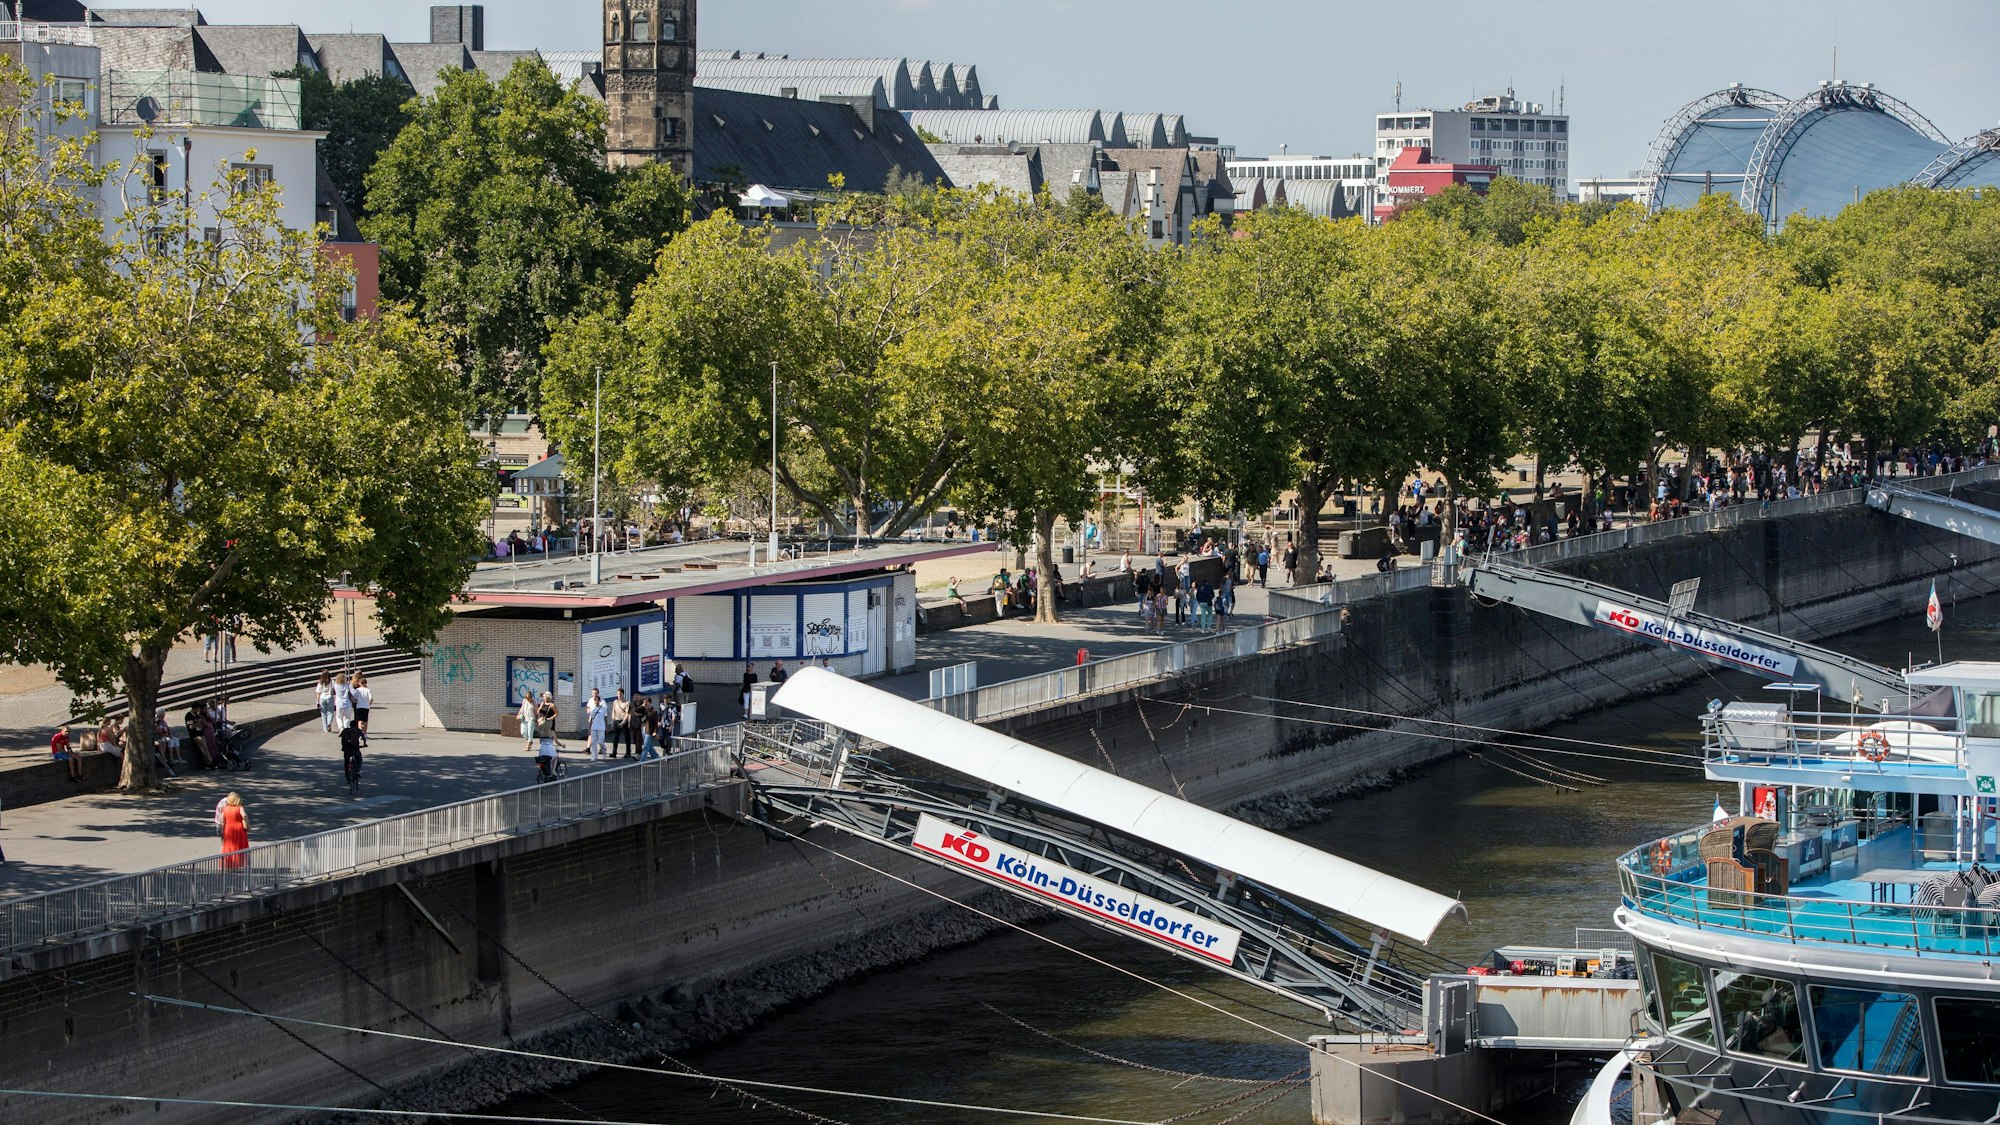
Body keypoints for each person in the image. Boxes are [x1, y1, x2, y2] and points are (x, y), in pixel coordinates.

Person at [534, 692, 561, 782]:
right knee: (546, 741)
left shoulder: (552, 705)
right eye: (544, 697)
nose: (544, 699)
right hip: (542, 723)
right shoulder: (542, 704)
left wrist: (550, 719)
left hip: (549, 723)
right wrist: (539, 710)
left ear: (549, 697)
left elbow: (556, 714)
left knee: (549, 737)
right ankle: (550, 768)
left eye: (546, 697)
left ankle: (551, 768)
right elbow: (538, 712)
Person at [218, 792, 249, 870]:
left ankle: (229, 865)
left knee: (228, 846)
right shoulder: (239, 808)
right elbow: (244, 815)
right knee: (238, 846)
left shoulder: (225, 809)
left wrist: (223, 829)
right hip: (238, 828)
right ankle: (237, 865)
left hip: (228, 828)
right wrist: (245, 822)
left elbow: (222, 820)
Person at [584, 687, 609, 762]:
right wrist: (590, 728)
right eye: (595, 701)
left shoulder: (603, 708)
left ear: (599, 701)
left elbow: (605, 717)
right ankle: (594, 756)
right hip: (594, 727)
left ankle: (604, 751)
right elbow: (591, 718)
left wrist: (607, 726)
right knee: (594, 742)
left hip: (601, 727)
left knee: (601, 741)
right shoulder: (592, 709)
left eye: (597, 700)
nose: (596, 702)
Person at [340, 719, 364, 791]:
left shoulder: (345, 730)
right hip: (355, 749)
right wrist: (365, 744)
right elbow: (364, 738)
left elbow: (341, 737)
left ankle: (348, 777)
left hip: (346, 749)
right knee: (359, 759)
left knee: (346, 762)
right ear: (356, 725)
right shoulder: (358, 731)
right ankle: (357, 770)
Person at [350, 674, 372, 748]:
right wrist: (369, 704)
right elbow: (371, 698)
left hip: (359, 706)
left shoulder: (358, 690)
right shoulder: (368, 690)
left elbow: (355, 698)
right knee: (365, 720)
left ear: (360, 683)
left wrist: (352, 700)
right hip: (366, 707)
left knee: (359, 720)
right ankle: (365, 733)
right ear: (366, 683)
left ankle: (360, 733)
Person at [609, 689, 631, 759]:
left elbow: (628, 714)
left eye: (620, 694)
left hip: (623, 720)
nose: (619, 696)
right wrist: (613, 720)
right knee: (616, 737)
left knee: (627, 736)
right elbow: (613, 711)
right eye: (618, 694)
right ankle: (614, 752)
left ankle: (628, 752)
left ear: (623, 694)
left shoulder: (627, 702)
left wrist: (623, 722)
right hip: (616, 720)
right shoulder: (615, 702)